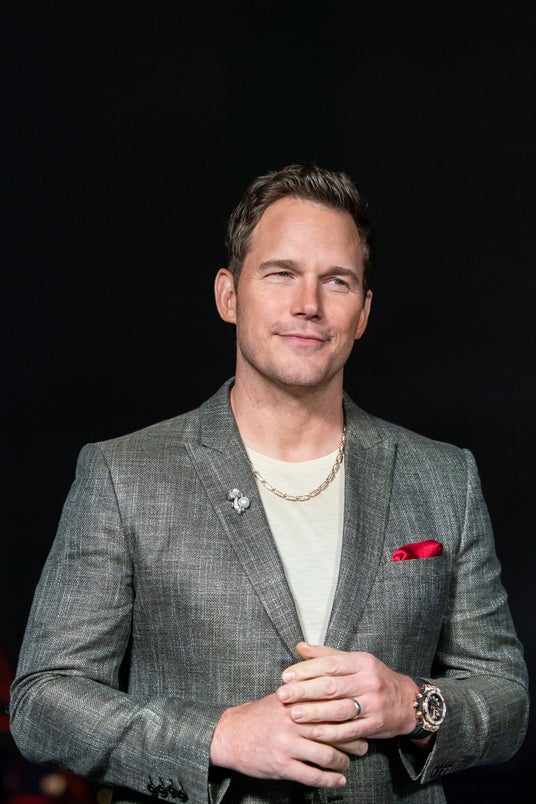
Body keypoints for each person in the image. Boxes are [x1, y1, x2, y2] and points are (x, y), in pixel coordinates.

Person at [10, 163, 529, 804]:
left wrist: (412, 704)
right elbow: (43, 700)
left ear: (363, 312)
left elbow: (506, 698)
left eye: (336, 281)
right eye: (281, 273)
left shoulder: (444, 478)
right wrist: (216, 737)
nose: (308, 304)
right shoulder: (125, 475)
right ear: (229, 295)